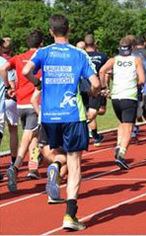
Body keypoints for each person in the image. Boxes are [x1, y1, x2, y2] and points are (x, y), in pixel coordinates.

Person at [23, 14, 100, 231]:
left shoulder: (43, 52)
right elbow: (95, 83)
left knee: (51, 151)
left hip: (49, 115)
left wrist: (38, 83)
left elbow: (25, 71)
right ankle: (70, 214)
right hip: (73, 115)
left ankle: (56, 164)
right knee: (75, 161)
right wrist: (95, 90)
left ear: (50, 31)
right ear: (69, 29)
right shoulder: (79, 54)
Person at [0, 30, 43, 192]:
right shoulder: (41, 58)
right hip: (35, 102)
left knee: (33, 135)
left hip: (20, 103)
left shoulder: (18, 58)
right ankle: (16, 166)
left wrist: (8, 86)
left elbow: (4, 68)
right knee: (28, 136)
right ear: (41, 43)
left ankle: (33, 168)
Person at [99, 36, 145, 170]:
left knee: (122, 123)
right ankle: (122, 154)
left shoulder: (114, 60)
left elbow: (102, 71)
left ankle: (119, 145)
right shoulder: (136, 60)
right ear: (132, 48)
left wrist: (104, 87)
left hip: (116, 97)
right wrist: (133, 83)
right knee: (129, 127)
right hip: (129, 96)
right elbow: (142, 79)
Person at [84, 34, 109, 146]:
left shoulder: (81, 55)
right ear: (94, 43)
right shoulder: (102, 56)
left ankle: (94, 134)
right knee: (94, 112)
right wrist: (105, 86)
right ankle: (93, 134)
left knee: (93, 111)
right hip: (96, 87)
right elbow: (106, 73)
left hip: (83, 87)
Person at [0, 38, 18, 180]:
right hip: (6, 102)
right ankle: (13, 162)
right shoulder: (6, 63)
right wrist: (8, 87)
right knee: (12, 130)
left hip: (3, 103)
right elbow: (12, 84)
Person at [131, 35, 146, 139]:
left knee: (135, 102)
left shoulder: (131, 53)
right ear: (144, 43)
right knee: (144, 103)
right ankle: (142, 113)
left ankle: (134, 127)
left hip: (135, 82)